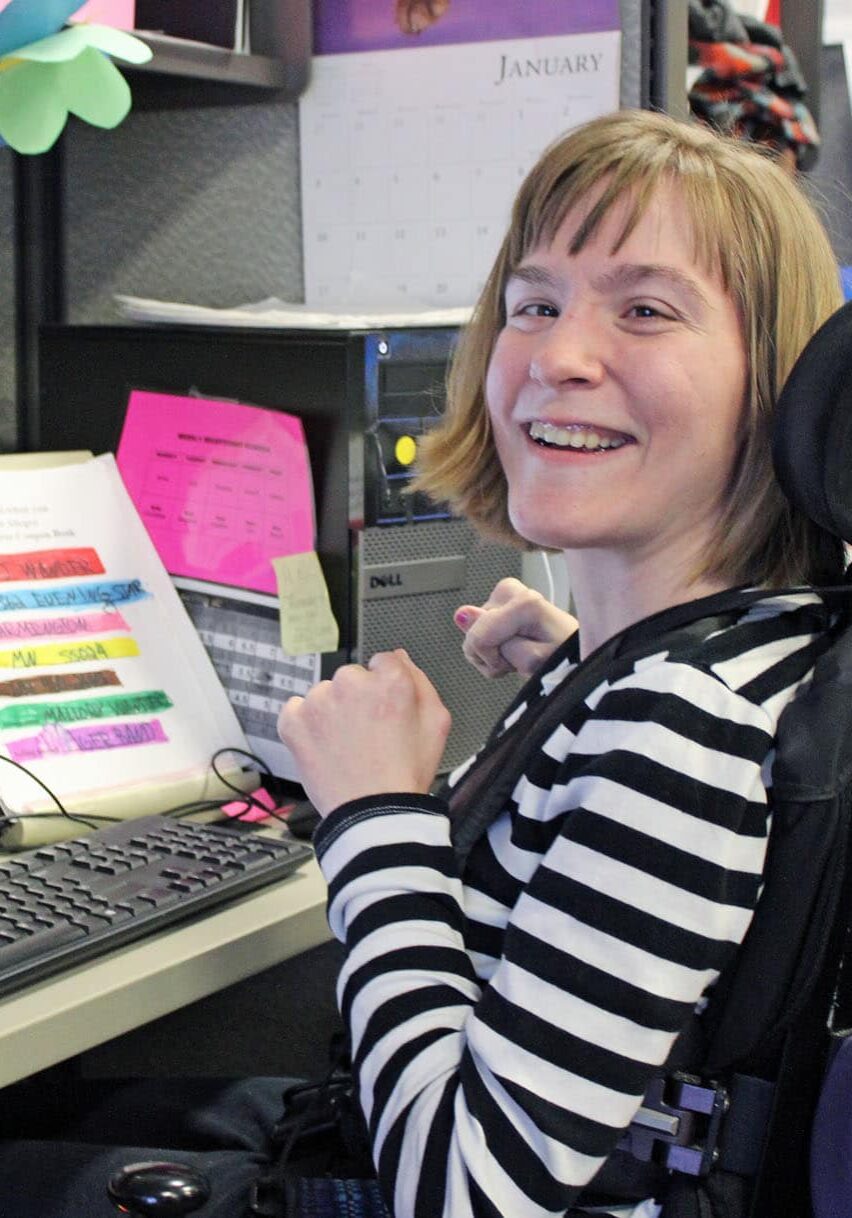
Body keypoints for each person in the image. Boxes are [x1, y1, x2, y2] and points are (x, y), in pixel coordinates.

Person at [276, 106, 846, 1218]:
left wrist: (373, 817)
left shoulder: (679, 725)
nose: (556, 356)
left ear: (775, 385)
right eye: (533, 305)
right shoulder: (770, 642)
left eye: (644, 310)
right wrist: (583, 673)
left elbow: (468, 1193)